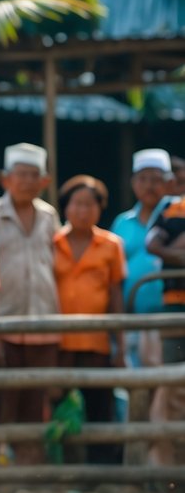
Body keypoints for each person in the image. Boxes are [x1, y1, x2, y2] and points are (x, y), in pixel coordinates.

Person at [0, 142, 60, 465]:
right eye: (20, 175)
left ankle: (31, 473)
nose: (26, 181)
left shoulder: (49, 216)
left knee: (35, 402)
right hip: (4, 322)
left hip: (44, 324)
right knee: (0, 403)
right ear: (6, 179)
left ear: (44, 181)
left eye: (33, 176)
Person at [53, 176, 126, 465]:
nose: (83, 210)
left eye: (90, 204)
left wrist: (119, 344)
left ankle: (101, 469)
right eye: (77, 204)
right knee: (61, 405)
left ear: (100, 209)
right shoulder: (53, 241)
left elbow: (115, 295)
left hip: (97, 341)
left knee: (99, 405)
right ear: (66, 207)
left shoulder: (111, 245)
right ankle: (64, 468)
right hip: (59, 341)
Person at [110, 149, 176, 465]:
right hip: (134, 320)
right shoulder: (121, 223)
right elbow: (114, 277)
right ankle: (134, 466)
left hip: (172, 321)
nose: (150, 186)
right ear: (134, 183)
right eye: (144, 179)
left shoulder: (179, 215)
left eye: (156, 179)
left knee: (168, 392)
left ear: (169, 182)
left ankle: (162, 464)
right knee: (136, 391)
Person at [147, 190, 185, 465]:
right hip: (176, 306)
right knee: (171, 385)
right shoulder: (174, 208)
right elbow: (153, 244)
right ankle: (167, 468)